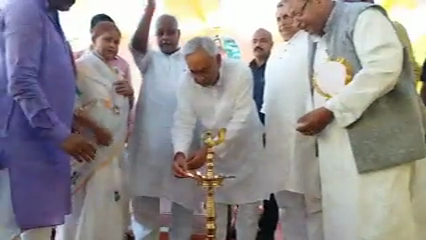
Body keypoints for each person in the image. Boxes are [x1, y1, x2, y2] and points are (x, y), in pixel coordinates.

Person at [281, 0, 426, 239]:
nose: (296, 23)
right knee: (347, 225)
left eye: (298, 14)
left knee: (384, 224)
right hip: (339, 158)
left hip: (381, 152)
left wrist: (330, 111)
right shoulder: (317, 38)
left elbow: (383, 68)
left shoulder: (363, 17)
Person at [0, 0, 98, 239]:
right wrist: (60, 133)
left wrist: (67, 122)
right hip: (20, 149)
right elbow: (22, 82)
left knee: (39, 231)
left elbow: (53, 80)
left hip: (43, 147)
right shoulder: (25, 9)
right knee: (8, 228)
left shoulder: (49, 15)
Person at [171, 36, 270, 240]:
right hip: (213, 162)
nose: (199, 78)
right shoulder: (185, 82)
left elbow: (240, 120)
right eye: (193, 71)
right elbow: (183, 119)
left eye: (204, 70)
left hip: (246, 154)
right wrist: (180, 152)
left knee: (247, 220)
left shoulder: (240, 72)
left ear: (217, 60)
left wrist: (209, 151)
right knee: (214, 219)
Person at [55, 22, 134, 240]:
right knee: (84, 205)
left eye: (117, 42)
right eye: (107, 39)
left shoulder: (117, 72)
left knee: (108, 201)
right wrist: (96, 129)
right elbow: (68, 105)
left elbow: (120, 108)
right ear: (93, 39)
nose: (113, 45)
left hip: (112, 152)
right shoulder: (80, 68)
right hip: (87, 148)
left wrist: (130, 93)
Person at [126, 0, 197, 239]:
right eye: (160, 33)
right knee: (145, 207)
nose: (165, 37)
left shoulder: (190, 60)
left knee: (184, 206)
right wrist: (149, 10)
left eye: (170, 32)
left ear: (179, 34)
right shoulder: (149, 60)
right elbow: (136, 44)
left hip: (183, 147)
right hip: (149, 146)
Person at [262, 2, 323, 240]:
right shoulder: (276, 53)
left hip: (307, 138)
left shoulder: (312, 44)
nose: (283, 22)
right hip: (278, 142)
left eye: (287, 16)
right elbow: (268, 104)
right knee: (287, 206)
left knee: (314, 205)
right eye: (278, 18)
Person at [249, 28, 279, 240]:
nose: (259, 44)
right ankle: (243, 229)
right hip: (248, 138)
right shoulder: (244, 71)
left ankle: (266, 232)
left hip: (272, 136)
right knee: (245, 185)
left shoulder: (278, 68)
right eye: (256, 41)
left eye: (263, 41)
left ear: (271, 44)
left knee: (272, 188)